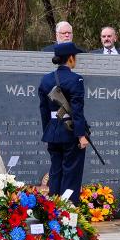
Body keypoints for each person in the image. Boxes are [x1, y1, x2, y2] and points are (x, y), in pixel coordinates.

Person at [38, 42, 89, 204]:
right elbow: (77, 110)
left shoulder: (45, 80)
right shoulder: (76, 79)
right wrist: (81, 135)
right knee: (71, 174)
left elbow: (44, 110)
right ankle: (68, 210)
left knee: (56, 172)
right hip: (69, 132)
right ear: (71, 58)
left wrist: (47, 133)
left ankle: (54, 209)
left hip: (52, 132)